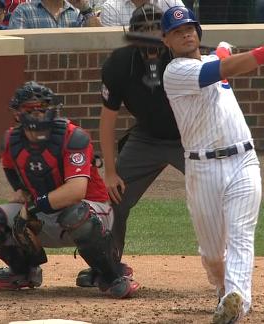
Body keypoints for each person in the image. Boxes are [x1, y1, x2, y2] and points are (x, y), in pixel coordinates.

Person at [160, 6, 264, 324]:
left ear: (197, 32)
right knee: (213, 255)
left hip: (244, 161)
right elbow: (224, 65)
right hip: (202, 170)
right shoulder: (175, 73)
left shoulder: (212, 62)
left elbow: (221, 57)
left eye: (189, 28)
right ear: (167, 41)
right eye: (176, 31)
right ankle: (223, 287)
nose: (185, 33)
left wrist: (225, 45)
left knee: (241, 234)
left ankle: (235, 302)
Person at [0, 81, 139, 299]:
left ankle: (111, 274)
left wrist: (31, 206)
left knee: (75, 213)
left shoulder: (73, 137)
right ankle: (23, 271)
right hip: (44, 215)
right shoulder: (11, 141)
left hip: (92, 213)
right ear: (17, 113)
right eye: (30, 109)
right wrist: (21, 197)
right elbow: (12, 173)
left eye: (43, 108)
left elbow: (76, 191)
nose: (38, 114)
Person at [75, 3, 185, 288]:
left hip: (189, 137)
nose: (149, 36)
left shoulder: (184, 57)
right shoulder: (119, 63)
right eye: (142, 30)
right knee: (115, 198)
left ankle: (228, 272)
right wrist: (110, 172)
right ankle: (108, 266)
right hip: (146, 137)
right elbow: (108, 121)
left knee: (216, 195)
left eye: (156, 29)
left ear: (166, 34)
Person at [8, 0, 102, 28]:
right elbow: (16, 51)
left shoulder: (76, 12)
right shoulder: (23, 11)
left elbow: (98, 39)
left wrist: (85, 9)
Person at [99, 0, 183, 26]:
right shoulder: (111, 7)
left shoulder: (172, 2)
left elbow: (184, 32)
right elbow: (114, 46)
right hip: (130, 59)